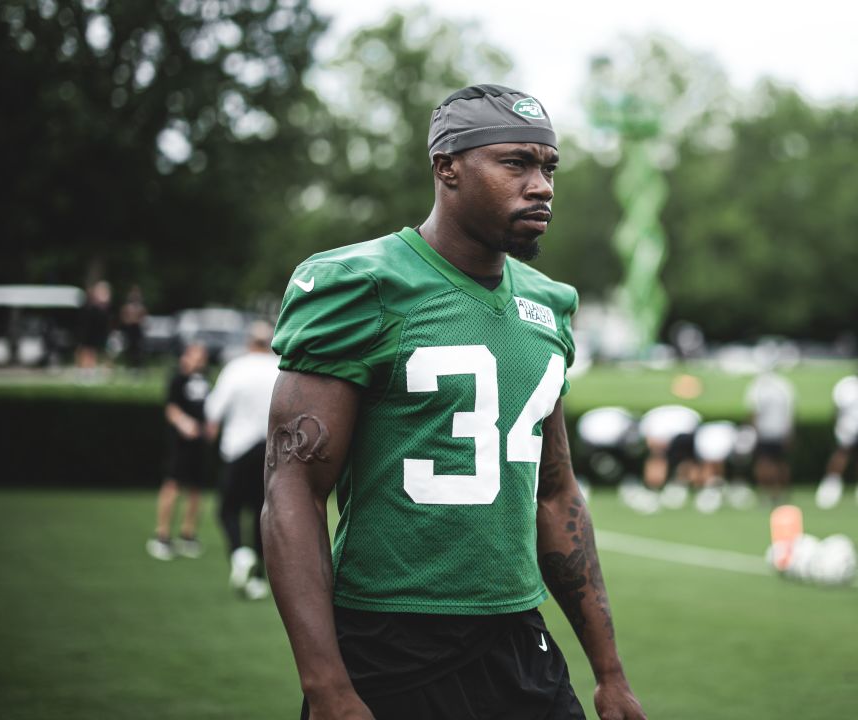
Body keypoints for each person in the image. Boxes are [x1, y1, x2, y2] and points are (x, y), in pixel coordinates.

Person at [263, 84, 645, 720]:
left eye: (549, 167)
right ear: (447, 167)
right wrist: (326, 687)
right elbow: (293, 489)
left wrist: (610, 673)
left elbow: (556, 493)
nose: (542, 185)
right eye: (516, 163)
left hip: (521, 640)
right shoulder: (361, 284)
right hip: (390, 641)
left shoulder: (549, 305)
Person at [204, 320, 281, 600]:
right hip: (272, 452)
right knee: (264, 512)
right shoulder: (279, 368)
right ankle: (259, 577)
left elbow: (213, 412)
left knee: (227, 509)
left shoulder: (236, 369)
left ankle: (239, 552)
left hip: (238, 449)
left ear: (249, 342)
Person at [146, 342, 211, 561]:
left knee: (196, 489)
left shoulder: (205, 379)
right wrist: (184, 423)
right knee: (173, 485)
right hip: (180, 444)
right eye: (195, 355)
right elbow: (170, 408)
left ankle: (188, 535)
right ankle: (162, 535)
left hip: (200, 443)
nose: (199, 359)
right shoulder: (177, 378)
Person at [816, 361, 858, 509]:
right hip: (848, 427)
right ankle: (831, 485)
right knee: (842, 454)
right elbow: (837, 408)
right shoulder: (847, 386)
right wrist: (840, 426)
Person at [744, 369, 795, 505]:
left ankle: (767, 491)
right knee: (780, 463)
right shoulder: (784, 386)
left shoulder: (758, 387)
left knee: (764, 463)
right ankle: (779, 491)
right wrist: (789, 432)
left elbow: (754, 412)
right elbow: (790, 412)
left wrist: (752, 432)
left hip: (764, 431)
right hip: (780, 430)